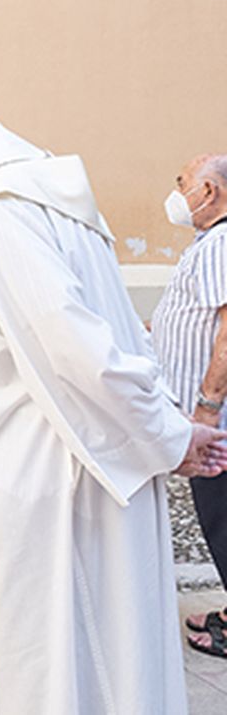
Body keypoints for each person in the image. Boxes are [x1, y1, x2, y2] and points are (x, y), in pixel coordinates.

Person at [0, 72, 227, 714]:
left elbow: (75, 344)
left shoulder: (3, 212)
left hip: (50, 473)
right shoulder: (40, 183)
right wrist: (162, 432)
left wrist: (169, 436)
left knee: (62, 659)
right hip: (73, 457)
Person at [150, 154, 227, 659]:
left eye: (184, 184)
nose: (178, 193)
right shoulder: (209, 243)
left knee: (222, 514)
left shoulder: (221, 244)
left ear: (209, 192)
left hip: (215, 417)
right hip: (205, 411)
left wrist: (207, 405)